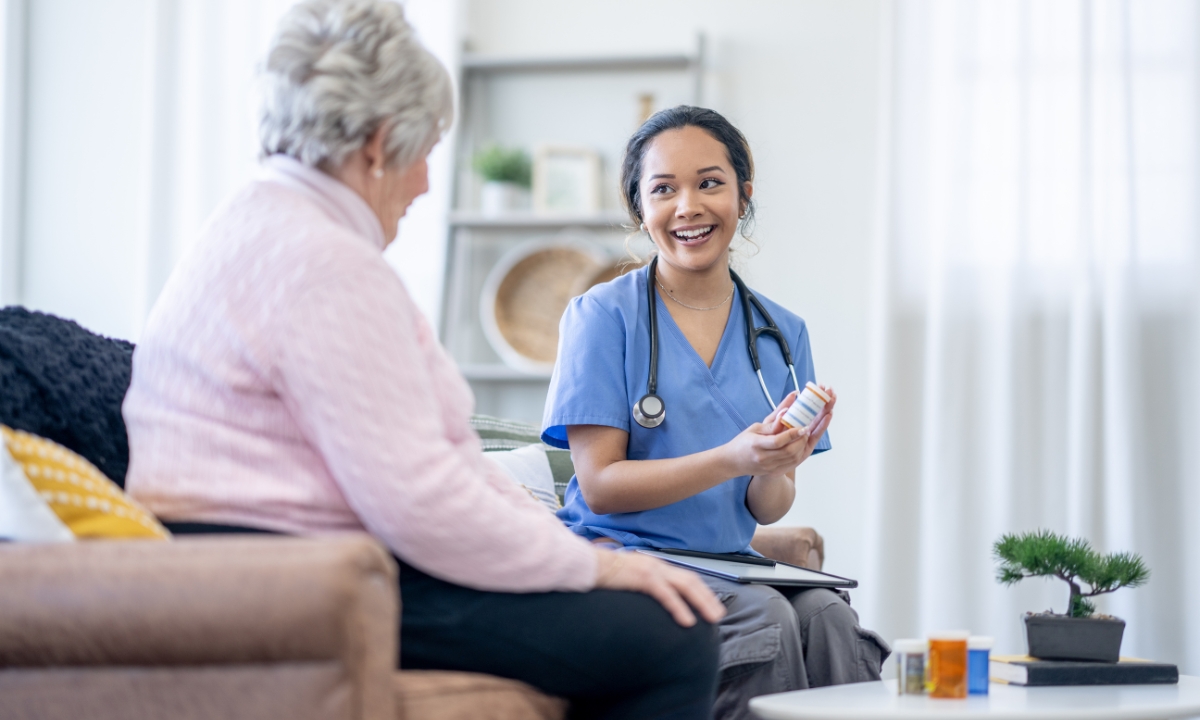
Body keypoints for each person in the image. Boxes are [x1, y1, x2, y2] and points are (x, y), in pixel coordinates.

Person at [121, 2, 726, 718]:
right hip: (288, 572)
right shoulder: (322, 263)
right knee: (675, 635)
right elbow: (420, 499)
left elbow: (440, 459)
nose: (425, 187)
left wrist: (562, 548)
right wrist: (594, 565)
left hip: (279, 561)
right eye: (424, 155)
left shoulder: (256, 224)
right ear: (379, 146)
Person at [542, 106, 889, 720]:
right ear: (638, 209)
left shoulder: (783, 332)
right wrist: (734, 456)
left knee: (831, 618)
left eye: (709, 183)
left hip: (726, 564)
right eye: (663, 190)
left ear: (743, 194)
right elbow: (600, 489)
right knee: (769, 618)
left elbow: (768, 506)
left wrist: (776, 463)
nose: (688, 207)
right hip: (623, 560)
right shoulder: (602, 317)